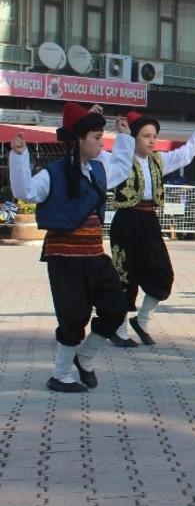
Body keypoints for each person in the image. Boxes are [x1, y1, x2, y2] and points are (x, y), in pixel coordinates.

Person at [8, 104, 134, 392]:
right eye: (97, 137)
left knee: (116, 308)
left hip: (95, 255)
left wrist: (125, 138)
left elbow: (122, 168)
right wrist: (19, 156)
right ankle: (60, 374)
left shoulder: (99, 170)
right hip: (64, 257)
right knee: (73, 317)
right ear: (78, 139)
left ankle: (85, 357)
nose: (101, 144)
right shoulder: (52, 173)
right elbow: (25, 192)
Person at [105, 108, 195, 348]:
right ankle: (119, 329)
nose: (152, 141)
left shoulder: (158, 160)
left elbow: (185, 154)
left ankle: (142, 319)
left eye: (154, 136)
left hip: (149, 221)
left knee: (162, 273)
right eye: (146, 136)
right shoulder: (118, 160)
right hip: (126, 221)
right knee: (125, 275)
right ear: (133, 137)